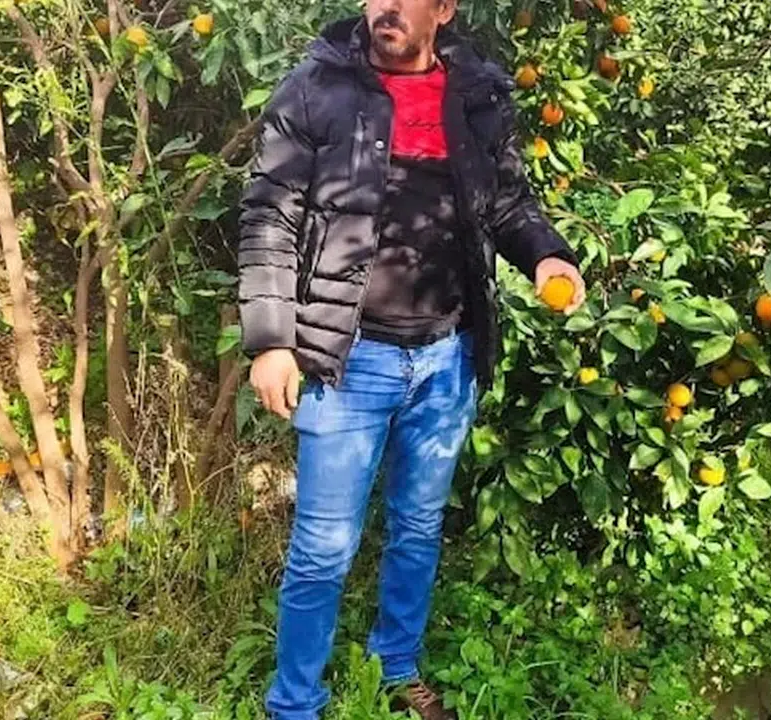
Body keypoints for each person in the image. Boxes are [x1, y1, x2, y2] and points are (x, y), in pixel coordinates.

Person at [236, 0, 585, 716]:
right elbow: (270, 213)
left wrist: (547, 255)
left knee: (418, 529)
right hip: (346, 358)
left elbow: (506, 202)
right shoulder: (318, 87)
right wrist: (271, 339)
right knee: (322, 548)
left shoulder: (477, 93)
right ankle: (294, 703)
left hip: (446, 359)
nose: (386, 7)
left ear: (445, 9)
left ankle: (395, 667)